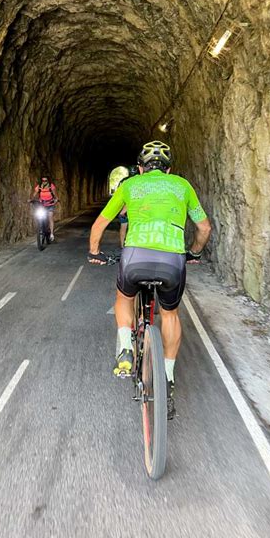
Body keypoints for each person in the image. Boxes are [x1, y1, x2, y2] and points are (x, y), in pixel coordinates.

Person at [87, 141, 211, 419]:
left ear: (141, 167)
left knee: (124, 297)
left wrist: (94, 252)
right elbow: (204, 227)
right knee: (170, 315)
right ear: (169, 170)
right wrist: (193, 252)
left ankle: (125, 349)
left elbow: (99, 225)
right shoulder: (182, 186)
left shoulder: (129, 186)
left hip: (135, 257)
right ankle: (167, 376)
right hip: (172, 261)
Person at [117, 165, 139, 247]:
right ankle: (134, 245)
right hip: (136, 209)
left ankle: (122, 245)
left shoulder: (123, 181)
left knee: (123, 227)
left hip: (123, 209)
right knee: (135, 227)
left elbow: (119, 196)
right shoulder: (139, 181)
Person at [32, 176, 58, 241]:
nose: (44, 182)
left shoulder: (51, 186)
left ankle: (51, 234)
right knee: (39, 215)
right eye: (43, 181)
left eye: (45, 180)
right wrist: (31, 199)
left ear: (48, 180)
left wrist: (56, 199)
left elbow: (55, 194)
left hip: (50, 204)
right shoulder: (39, 186)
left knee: (50, 217)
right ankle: (40, 228)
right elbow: (34, 193)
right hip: (42, 204)